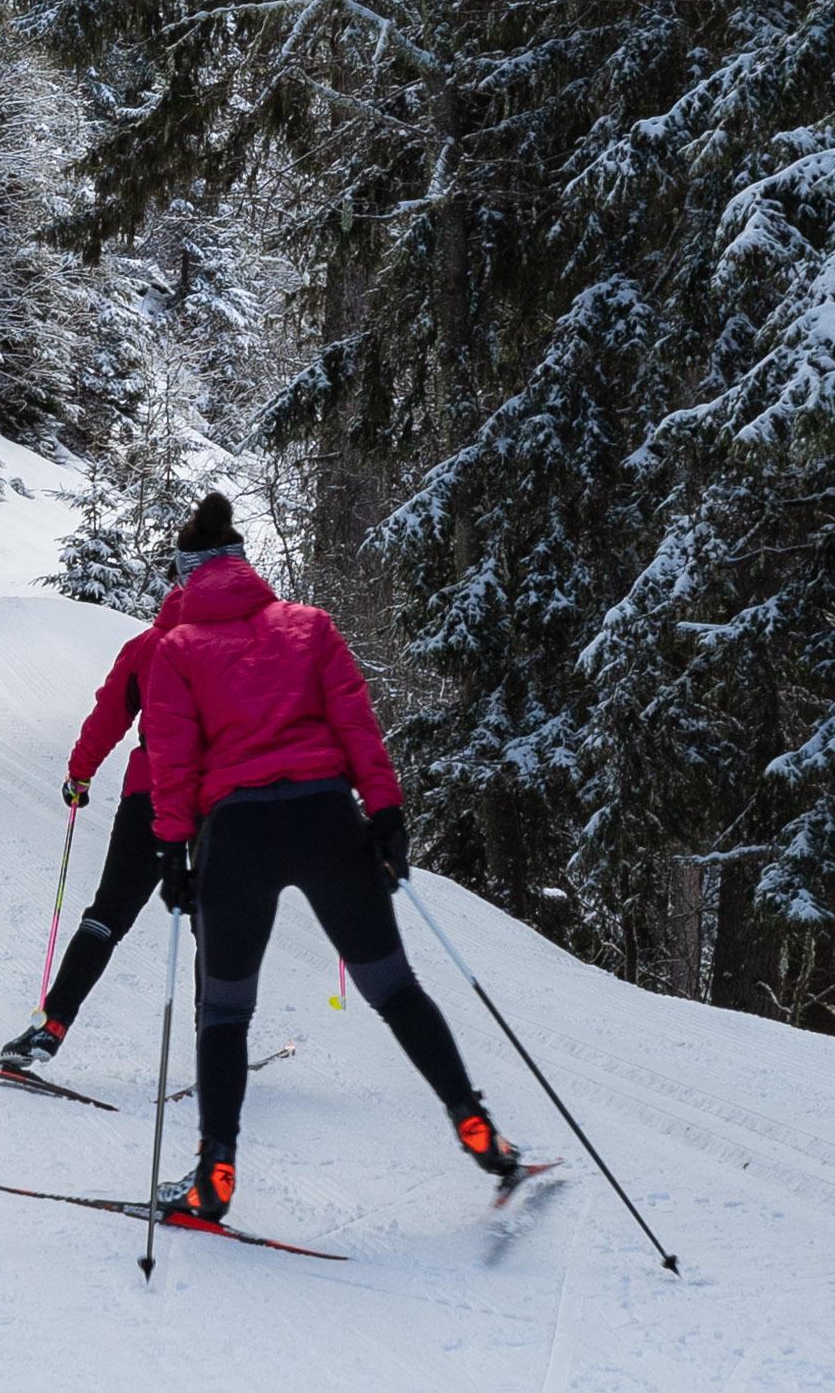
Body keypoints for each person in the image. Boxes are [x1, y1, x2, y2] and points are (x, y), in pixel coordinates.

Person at [139, 492, 529, 1226]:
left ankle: (213, 1175)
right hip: (326, 819)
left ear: (186, 579)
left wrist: (169, 847)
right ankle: (478, 1128)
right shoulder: (307, 626)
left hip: (237, 832)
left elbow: (172, 760)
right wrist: (385, 813)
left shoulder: (175, 649)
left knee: (223, 1012)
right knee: (393, 987)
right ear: (244, 566)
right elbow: (357, 721)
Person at [0, 602, 170, 1069]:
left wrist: (80, 774)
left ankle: (50, 1025)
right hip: (220, 804)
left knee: (107, 915)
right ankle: (220, 1054)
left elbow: (110, 714)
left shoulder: (147, 645)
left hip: (150, 797)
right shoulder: (249, 644)